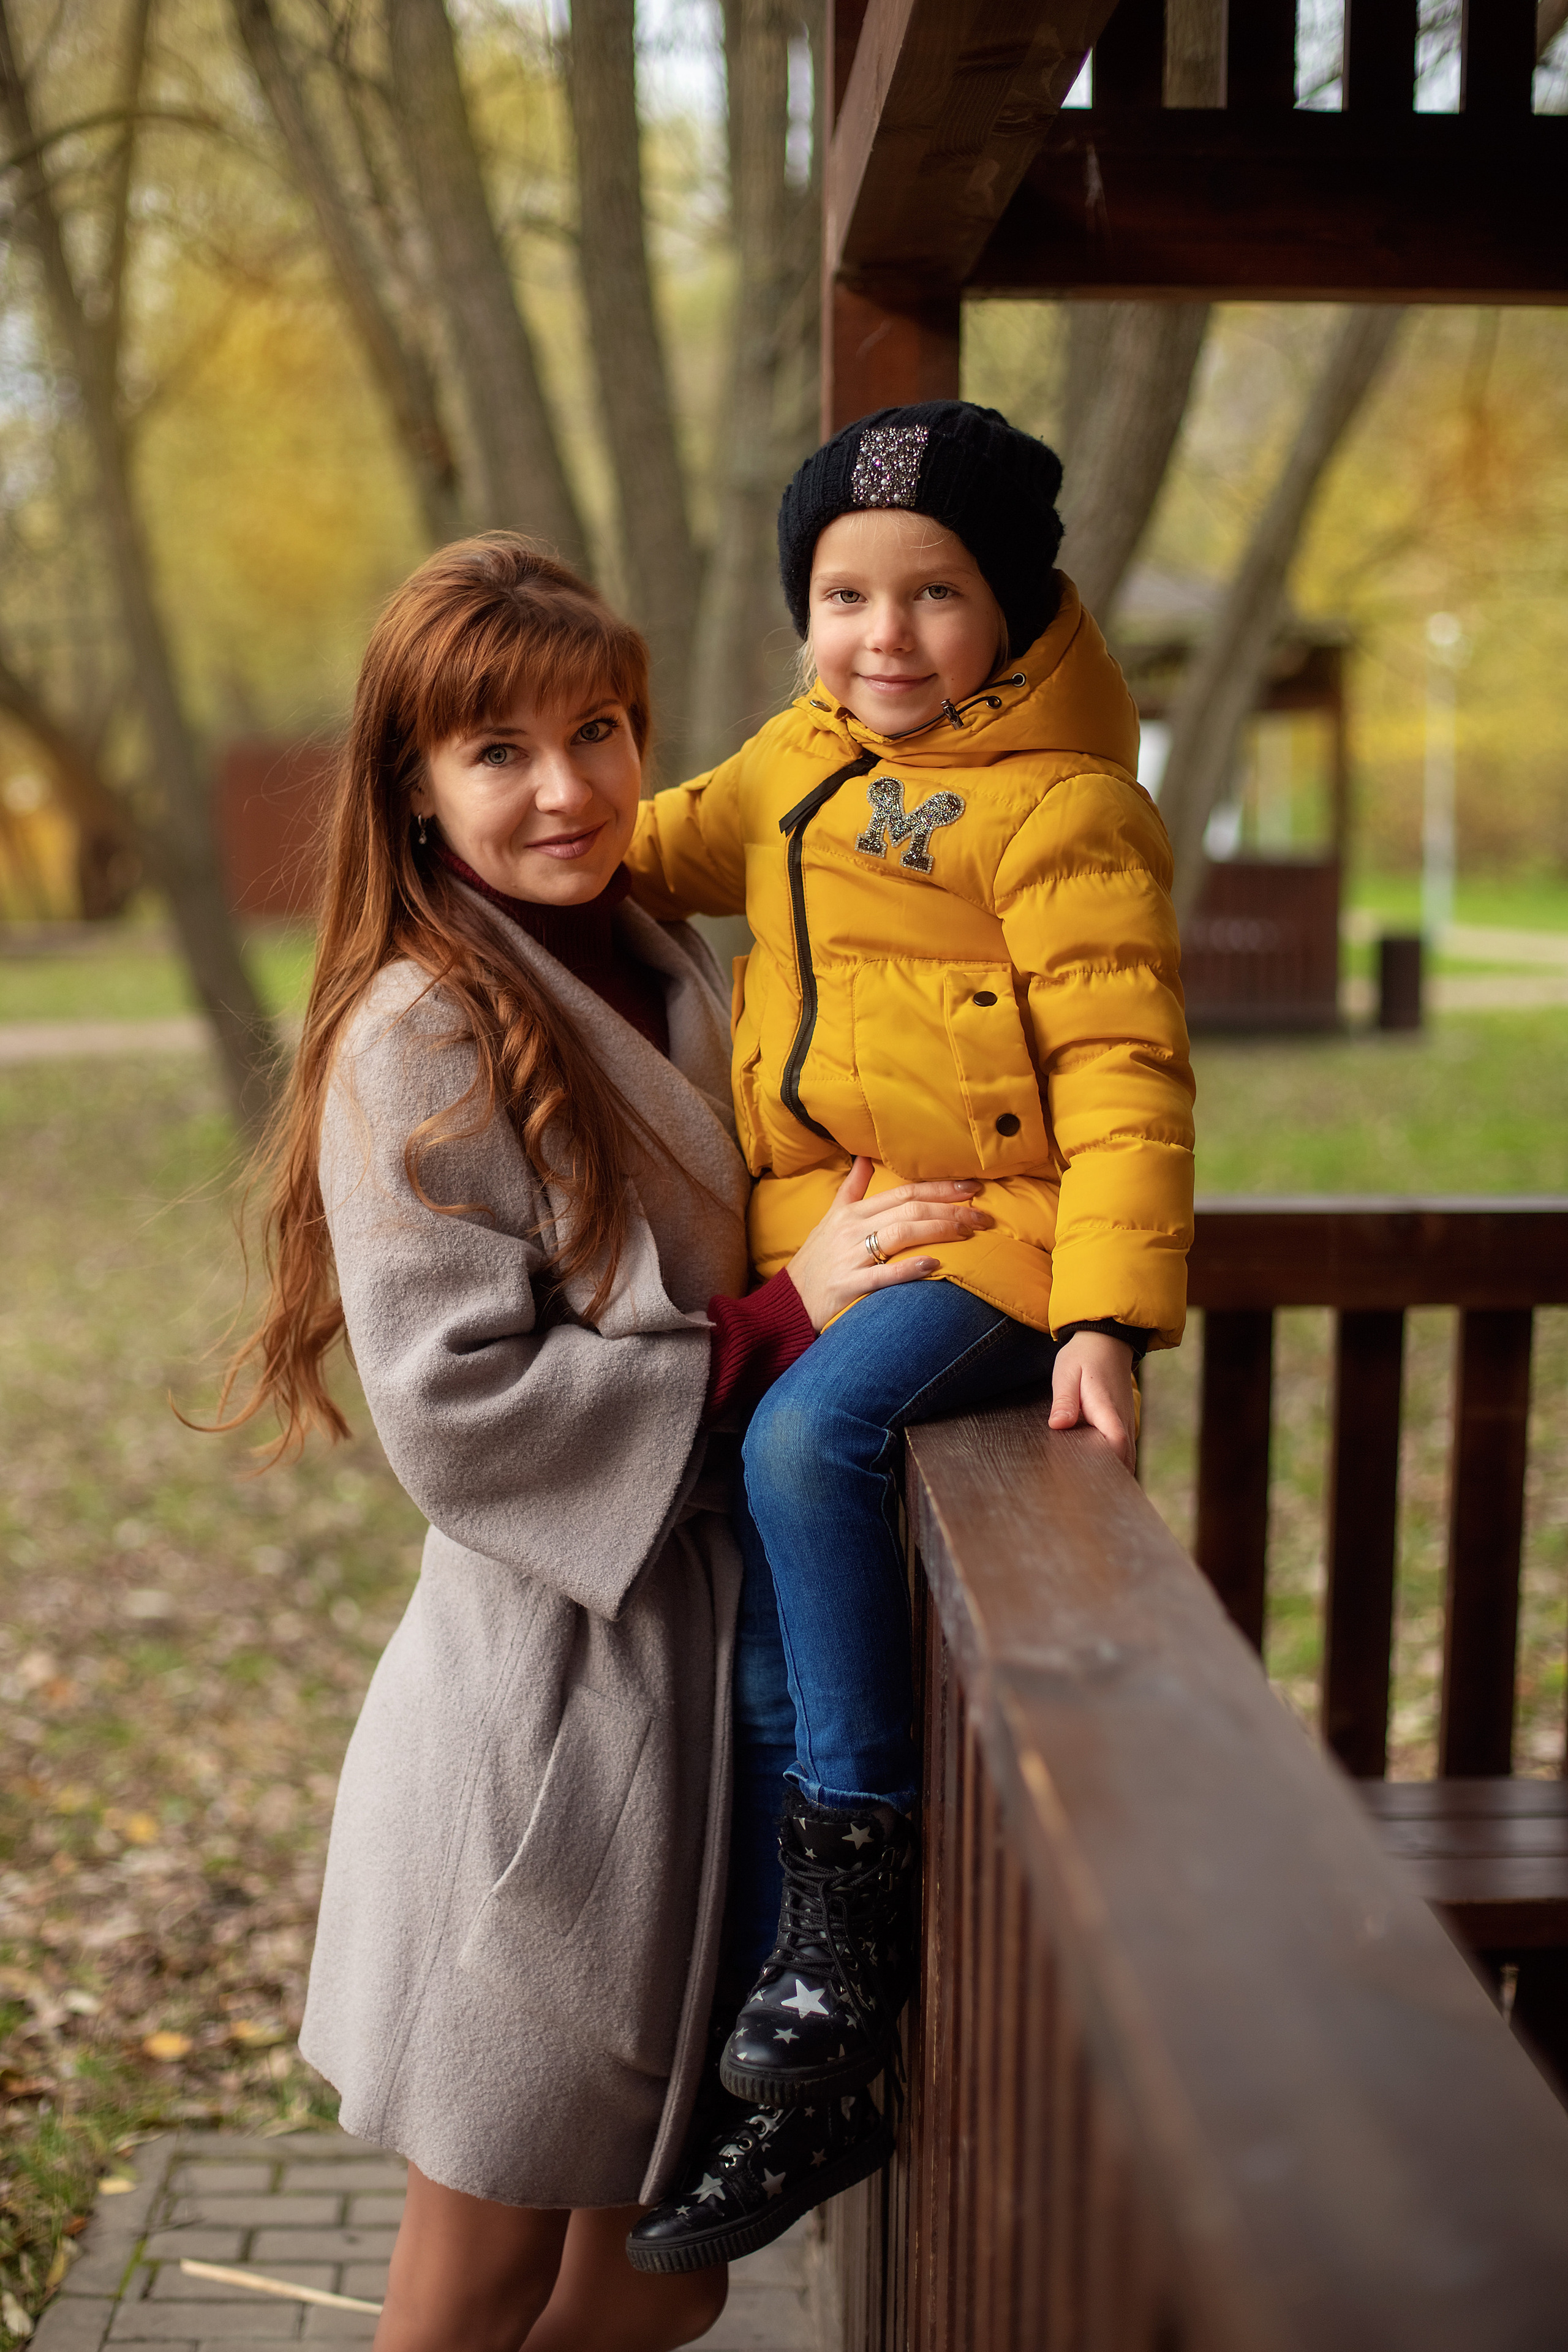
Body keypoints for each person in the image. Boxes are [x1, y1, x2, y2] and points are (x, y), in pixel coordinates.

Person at [214, 533, 984, 2350]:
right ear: (414, 785)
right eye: (499, 752)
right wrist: (793, 1322)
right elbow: (458, 1404)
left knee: (665, 2281)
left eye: (603, 730)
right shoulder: (420, 1027)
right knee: (484, 2268)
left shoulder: (662, 949)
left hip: (692, 1693)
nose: (568, 789)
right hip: (543, 1722)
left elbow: (722, 1210)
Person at [621, 402, 1196, 2271]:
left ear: (1015, 612)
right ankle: (812, 2051)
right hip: (852, 1241)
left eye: (934, 593)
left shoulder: (1062, 807)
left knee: (805, 1448)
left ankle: (855, 1929)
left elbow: (1123, 1071)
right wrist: (470, 822)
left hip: (997, 1241)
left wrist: (1107, 1310)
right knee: (776, 1632)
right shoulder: (793, 763)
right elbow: (641, 841)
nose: (882, 633)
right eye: (844, 592)